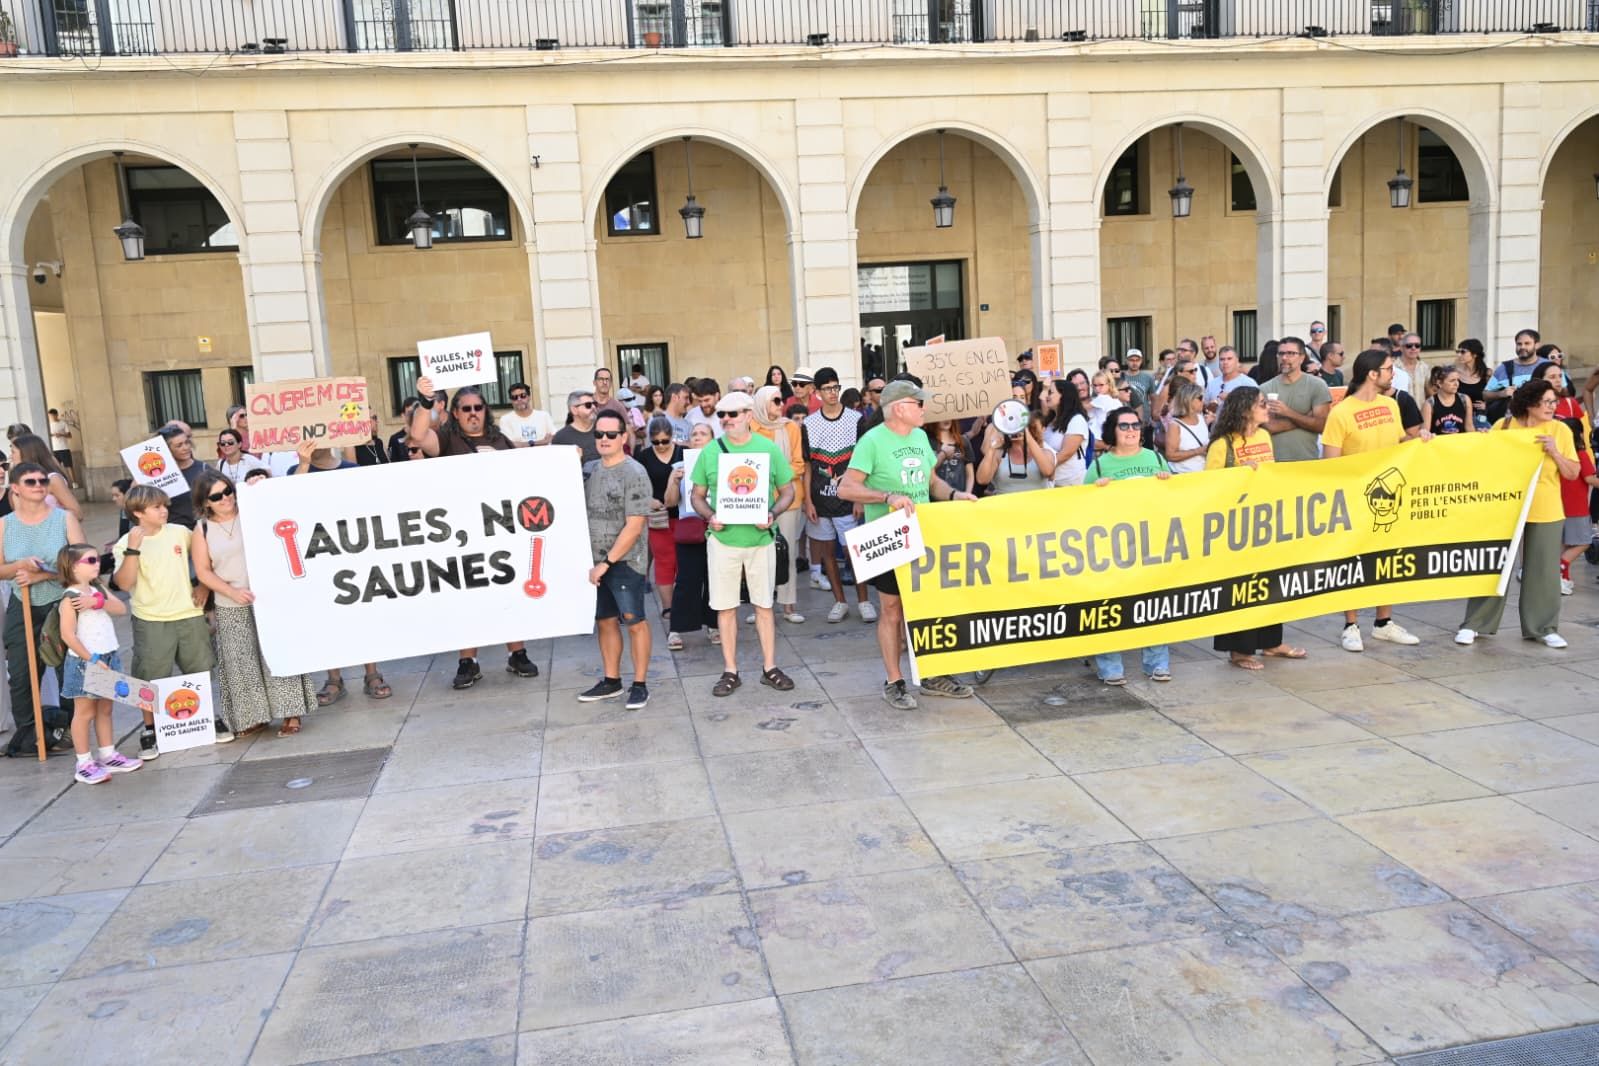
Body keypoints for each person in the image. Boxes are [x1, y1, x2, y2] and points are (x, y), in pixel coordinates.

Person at [839, 378, 978, 709]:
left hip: (924, 534)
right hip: (887, 538)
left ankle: (932, 675)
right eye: (918, 404)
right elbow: (846, 488)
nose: (924, 409)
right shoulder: (871, 442)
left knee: (927, 607)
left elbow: (932, 482)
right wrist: (887, 496)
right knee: (891, 608)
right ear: (899, 408)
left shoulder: (919, 437)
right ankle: (894, 680)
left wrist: (957, 495)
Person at [409, 382, 538, 689]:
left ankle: (517, 653)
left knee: (507, 590)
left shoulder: (499, 438)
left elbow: (524, 470)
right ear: (455, 412)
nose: (473, 414)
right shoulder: (447, 438)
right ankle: (468, 660)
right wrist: (426, 402)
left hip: (499, 530)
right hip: (461, 533)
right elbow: (417, 436)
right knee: (468, 595)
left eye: (478, 408)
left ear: (485, 411)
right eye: (465, 409)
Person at [191, 470, 319, 737]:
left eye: (229, 491)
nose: (226, 498)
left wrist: (261, 487)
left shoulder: (253, 509)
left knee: (278, 653)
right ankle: (254, 716)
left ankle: (291, 712)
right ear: (206, 502)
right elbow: (203, 571)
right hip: (230, 602)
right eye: (217, 495)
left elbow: (286, 505)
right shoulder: (202, 529)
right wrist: (230, 591)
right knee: (241, 663)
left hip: (269, 598)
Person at [689, 391, 797, 698]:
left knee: (764, 605)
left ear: (749, 415)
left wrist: (772, 514)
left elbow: (787, 491)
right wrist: (710, 516)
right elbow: (696, 495)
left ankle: (770, 667)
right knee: (725, 608)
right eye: (721, 415)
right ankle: (730, 670)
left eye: (732, 414)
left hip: (760, 539)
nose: (725, 420)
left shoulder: (768, 449)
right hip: (723, 541)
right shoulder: (711, 451)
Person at [1457, 378, 1577, 649]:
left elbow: (1573, 472)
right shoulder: (1505, 426)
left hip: (1546, 509)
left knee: (1543, 572)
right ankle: (1475, 624)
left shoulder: (1559, 430)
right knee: (1494, 567)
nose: (1551, 406)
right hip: (1506, 508)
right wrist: (1485, 444)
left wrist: (1555, 452)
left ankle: (1543, 628)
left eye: (1553, 401)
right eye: (1546, 402)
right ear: (1530, 403)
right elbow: (1488, 466)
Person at [1321, 349, 1426, 652]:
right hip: (1355, 499)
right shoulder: (1341, 412)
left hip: (1389, 494)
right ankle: (1350, 625)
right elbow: (1330, 461)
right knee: (1353, 562)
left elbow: (1399, 442)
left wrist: (1420, 440)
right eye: (1388, 368)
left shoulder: (1391, 405)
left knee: (1387, 560)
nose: (1393, 373)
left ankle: (1383, 623)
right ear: (1372, 374)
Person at [114, 484, 223, 758]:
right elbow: (124, 582)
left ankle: (206, 717)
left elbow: (206, 559)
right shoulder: (124, 543)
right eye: (157, 507)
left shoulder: (179, 532)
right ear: (139, 512)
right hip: (151, 618)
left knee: (198, 669)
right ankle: (149, 729)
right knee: (148, 676)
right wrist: (133, 550)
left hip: (188, 613)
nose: (165, 510)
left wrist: (204, 587)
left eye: (165, 505)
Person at [1204, 389, 1308, 669]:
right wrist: (1239, 475)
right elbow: (1208, 488)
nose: (1267, 408)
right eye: (1262, 404)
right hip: (1237, 527)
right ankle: (1239, 651)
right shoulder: (1222, 445)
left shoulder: (1264, 436)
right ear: (1245, 409)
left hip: (1267, 521)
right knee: (1241, 588)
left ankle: (1272, 642)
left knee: (1272, 582)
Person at [1, 462, 82, 756]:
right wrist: (19, 566)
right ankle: (30, 732)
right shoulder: (4, 524)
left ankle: (71, 729)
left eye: (42, 481)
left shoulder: (64, 519)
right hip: (22, 603)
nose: (39, 486)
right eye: (31, 482)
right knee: (21, 671)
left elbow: (83, 562)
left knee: (67, 669)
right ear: (15, 489)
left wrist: (43, 575)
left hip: (61, 604)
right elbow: (0, 568)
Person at [1088, 407, 1173, 685]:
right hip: (1112, 548)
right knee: (1110, 606)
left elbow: (1178, 497)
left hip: (1152, 544)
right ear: (1112, 430)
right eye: (1123, 426)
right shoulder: (1100, 465)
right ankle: (1110, 666)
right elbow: (1079, 506)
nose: (1131, 431)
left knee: (1154, 604)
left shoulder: (1156, 458)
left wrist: (1168, 483)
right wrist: (1095, 491)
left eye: (1135, 425)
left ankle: (1157, 663)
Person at [576, 410, 654, 710]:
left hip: (625, 562)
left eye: (611, 434)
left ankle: (640, 684)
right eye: (599, 434)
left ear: (624, 437)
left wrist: (606, 563)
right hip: (594, 562)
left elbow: (634, 526)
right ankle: (611, 680)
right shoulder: (589, 468)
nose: (604, 440)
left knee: (635, 622)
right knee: (605, 621)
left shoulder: (635, 473)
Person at [55, 542, 141, 783]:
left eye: (97, 560)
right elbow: (68, 635)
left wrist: (97, 602)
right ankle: (84, 762)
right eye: (90, 561)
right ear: (73, 567)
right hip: (86, 662)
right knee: (84, 712)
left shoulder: (97, 588)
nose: (97, 565)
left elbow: (120, 608)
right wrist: (90, 659)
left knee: (105, 707)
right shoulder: (69, 599)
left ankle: (108, 753)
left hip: (107, 656)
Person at [802, 367, 873, 623]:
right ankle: (840, 601)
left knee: (855, 551)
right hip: (820, 499)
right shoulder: (808, 424)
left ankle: (864, 600)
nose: (833, 393)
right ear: (817, 392)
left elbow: (864, 462)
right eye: (827, 388)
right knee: (827, 552)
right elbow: (808, 465)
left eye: (836, 387)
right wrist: (808, 500)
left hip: (848, 498)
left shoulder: (855, 419)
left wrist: (859, 497)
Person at [751, 385, 806, 625]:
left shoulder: (790, 427)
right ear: (762, 403)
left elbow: (799, 464)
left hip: (788, 500)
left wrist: (772, 474)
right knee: (757, 556)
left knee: (788, 553)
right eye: (775, 401)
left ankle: (788, 605)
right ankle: (761, 607)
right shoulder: (750, 428)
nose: (780, 404)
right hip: (755, 500)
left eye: (781, 400)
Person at [665, 423, 716, 649]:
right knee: (686, 579)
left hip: (717, 528)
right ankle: (676, 629)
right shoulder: (678, 466)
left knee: (714, 579)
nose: (697, 437)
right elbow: (669, 502)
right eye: (694, 434)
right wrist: (675, 481)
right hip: (690, 529)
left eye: (703, 433)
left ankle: (714, 625)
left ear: (712, 439)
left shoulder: (721, 463)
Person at [639, 416, 682, 632]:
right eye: (656, 442)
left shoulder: (683, 453)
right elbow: (637, 486)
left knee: (684, 562)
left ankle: (685, 603)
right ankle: (668, 606)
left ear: (672, 437)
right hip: (657, 516)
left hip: (683, 516)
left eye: (665, 441)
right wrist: (648, 500)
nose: (661, 446)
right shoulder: (644, 456)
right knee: (664, 562)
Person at [1261, 336, 1331, 462]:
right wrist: (1306, 418)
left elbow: (1322, 426)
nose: (1284, 358)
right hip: (1274, 465)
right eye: (1281, 353)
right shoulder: (1265, 388)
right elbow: (1270, 427)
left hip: (1307, 462)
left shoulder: (1317, 385)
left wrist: (1288, 412)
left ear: (1302, 357)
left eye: (1291, 353)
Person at [1557, 416, 1597, 596]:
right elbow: (1589, 478)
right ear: (1580, 433)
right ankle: (1561, 567)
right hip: (1577, 507)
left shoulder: (1560, 453)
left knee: (1566, 544)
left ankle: (1562, 577)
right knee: (1583, 542)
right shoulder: (1580, 454)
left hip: (1559, 506)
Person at [977, 409, 1055, 494]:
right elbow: (982, 480)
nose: (1015, 430)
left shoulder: (1046, 453)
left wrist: (1028, 437)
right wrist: (991, 449)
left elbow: (1048, 472)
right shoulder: (999, 455)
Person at [10, 434, 82, 521]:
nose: (11, 457)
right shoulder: (18, 482)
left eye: (13, 452)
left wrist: (44, 520)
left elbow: (77, 513)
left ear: (26, 453)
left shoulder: (51, 480)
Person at [1483, 328, 1544, 419]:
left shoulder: (1547, 366)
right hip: (1513, 422)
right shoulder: (1504, 368)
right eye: (1519, 344)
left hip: (1541, 418)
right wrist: (1502, 393)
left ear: (1537, 345)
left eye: (1527, 343)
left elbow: (1564, 391)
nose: (1522, 347)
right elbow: (1485, 394)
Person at [1162, 381, 1210, 474]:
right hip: (1183, 476)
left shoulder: (1200, 418)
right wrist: (1198, 451)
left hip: (1203, 474)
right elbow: (1171, 455)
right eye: (1200, 398)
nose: (1203, 401)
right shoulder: (1175, 426)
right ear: (1188, 400)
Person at [926, 418, 975, 496]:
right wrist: (942, 455)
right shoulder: (927, 442)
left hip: (960, 498)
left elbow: (970, 474)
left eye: (949, 416)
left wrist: (967, 493)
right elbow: (926, 472)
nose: (946, 419)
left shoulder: (963, 442)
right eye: (942, 416)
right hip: (936, 499)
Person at [1421, 366, 1475, 436]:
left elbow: (1469, 427)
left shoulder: (1465, 399)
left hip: (1461, 444)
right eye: (1452, 380)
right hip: (1439, 445)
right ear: (1439, 383)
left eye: (1457, 380)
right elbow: (1425, 432)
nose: (1456, 384)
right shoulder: (1429, 404)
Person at [551, 389, 601, 463]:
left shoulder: (603, 430)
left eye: (595, 404)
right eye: (588, 405)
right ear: (574, 410)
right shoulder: (561, 438)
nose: (593, 407)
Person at [499, 382, 555, 446]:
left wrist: (522, 444)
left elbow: (552, 438)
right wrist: (540, 442)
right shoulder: (505, 420)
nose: (519, 399)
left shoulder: (544, 416)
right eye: (515, 397)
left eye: (523, 395)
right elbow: (510, 445)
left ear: (529, 397)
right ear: (511, 400)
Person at [1454, 339, 1490, 430]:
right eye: (1457, 351)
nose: (1459, 355)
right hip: (1458, 417)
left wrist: (1488, 405)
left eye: (1463, 352)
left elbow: (1498, 395)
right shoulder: (1455, 373)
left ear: (1475, 354)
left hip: (1480, 419)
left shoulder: (1487, 374)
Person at [47, 409, 75, 486]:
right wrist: (53, 435)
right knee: (55, 467)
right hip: (54, 449)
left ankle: (74, 483)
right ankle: (60, 484)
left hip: (64, 448)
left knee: (69, 466)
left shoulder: (63, 423)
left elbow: (69, 435)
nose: (51, 417)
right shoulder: (48, 425)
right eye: (50, 416)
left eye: (53, 416)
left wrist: (61, 435)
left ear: (56, 415)